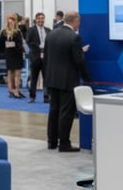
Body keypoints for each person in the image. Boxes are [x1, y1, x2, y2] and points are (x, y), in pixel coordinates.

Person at [43, 10, 91, 152]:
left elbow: (46, 58)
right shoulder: (74, 38)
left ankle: (52, 141)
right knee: (66, 112)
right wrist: (87, 77)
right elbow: (78, 61)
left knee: (54, 110)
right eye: (78, 22)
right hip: (67, 80)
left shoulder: (51, 34)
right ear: (75, 21)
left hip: (52, 79)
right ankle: (64, 143)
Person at [25, 12, 50, 103]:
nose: (41, 20)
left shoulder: (48, 30)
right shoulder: (31, 30)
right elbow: (28, 41)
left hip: (46, 57)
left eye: (42, 18)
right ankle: (32, 96)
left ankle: (46, 96)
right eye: (39, 18)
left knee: (46, 77)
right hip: (35, 56)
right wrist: (38, 47)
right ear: (36, 19)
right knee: (34, 77)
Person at [0, 14, 25, 98]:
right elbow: (1, 45)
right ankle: (10, 90)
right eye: (9, 19)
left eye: (13, 20)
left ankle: (17, 90)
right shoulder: (3, 32)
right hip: (9, 55)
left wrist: (18, 48)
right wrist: (5, 51)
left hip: (17, 55)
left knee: (18, 73)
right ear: (7, 21)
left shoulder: (18, 32)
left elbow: (20, 44)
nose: (11, 21)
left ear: (15, 22)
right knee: (10, 72)